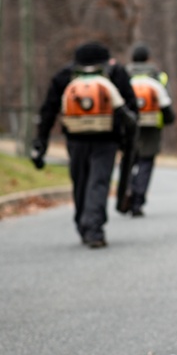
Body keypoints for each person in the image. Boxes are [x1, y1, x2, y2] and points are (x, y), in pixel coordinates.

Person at [31, 41, 138, 248]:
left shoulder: (65, 76)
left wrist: (41, 140)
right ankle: (94, 229)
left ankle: (83, 224)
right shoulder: (116, 73)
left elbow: (49, 109)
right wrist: (127, 141)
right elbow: (131, 108)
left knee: (80, 181)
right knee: (99, 181)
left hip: (75, 138)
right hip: (107, 138)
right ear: (106, 59)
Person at [124, 42, 176, 217]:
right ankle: (138, 201)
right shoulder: (158, 77)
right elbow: (166, 102)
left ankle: (128, 191)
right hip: (152, 127)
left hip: (129, 126)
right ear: (148, 58)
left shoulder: (124, 75)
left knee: (129, 161)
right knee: (146, 163)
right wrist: (168, 120)